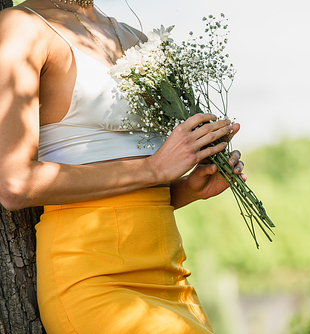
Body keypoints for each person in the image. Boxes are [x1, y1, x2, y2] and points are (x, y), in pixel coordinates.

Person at [0, 0, 246, 332]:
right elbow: (15, 184)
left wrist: (185, 188)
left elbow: (129, 184)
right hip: (93, 278)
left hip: (170, 272)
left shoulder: (137, 38)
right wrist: (155, 169)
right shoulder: (22, 27)